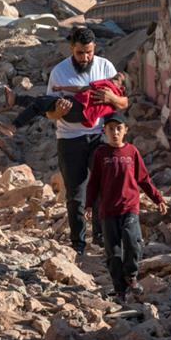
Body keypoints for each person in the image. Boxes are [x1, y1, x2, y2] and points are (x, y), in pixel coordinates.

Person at [47, 27, 128, 255]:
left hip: (99, 136)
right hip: (70, 139)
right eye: (80, 53)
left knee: (105, 187)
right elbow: (49, 113)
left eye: (89, 52)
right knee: (75, 195)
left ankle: (103, 239)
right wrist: (59, 112)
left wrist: (111, 97)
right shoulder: (59, 73)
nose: (85, 58)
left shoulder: (105, 67)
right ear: (71, 49)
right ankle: (78, 244)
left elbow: (123, 103)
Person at [85, 113, 167, 303]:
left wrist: (158, 199)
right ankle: (119, 289)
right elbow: (94, 183)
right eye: (111, 129)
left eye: (119, 128)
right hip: (108, 211)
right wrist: (88, 205)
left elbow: (143, 179)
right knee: (113, 253)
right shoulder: (101, 154)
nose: (115, 132)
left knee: (132, 241)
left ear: (125, 131)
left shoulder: (132, 152)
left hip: (129, 207)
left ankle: (131, 276)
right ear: (104, 131)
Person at [0, 72, 127, 135]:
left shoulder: (109, 87)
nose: (114, 77)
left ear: (122, 86)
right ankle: (16, 100)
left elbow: (81, 89)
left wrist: (62, 88)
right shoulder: (116, 99)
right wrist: (62, 87)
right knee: (41, 104)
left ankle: (14, 124)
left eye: (118, 78)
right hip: (78, 115)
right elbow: (81, 89)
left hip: (77, 108)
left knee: (41, 103)